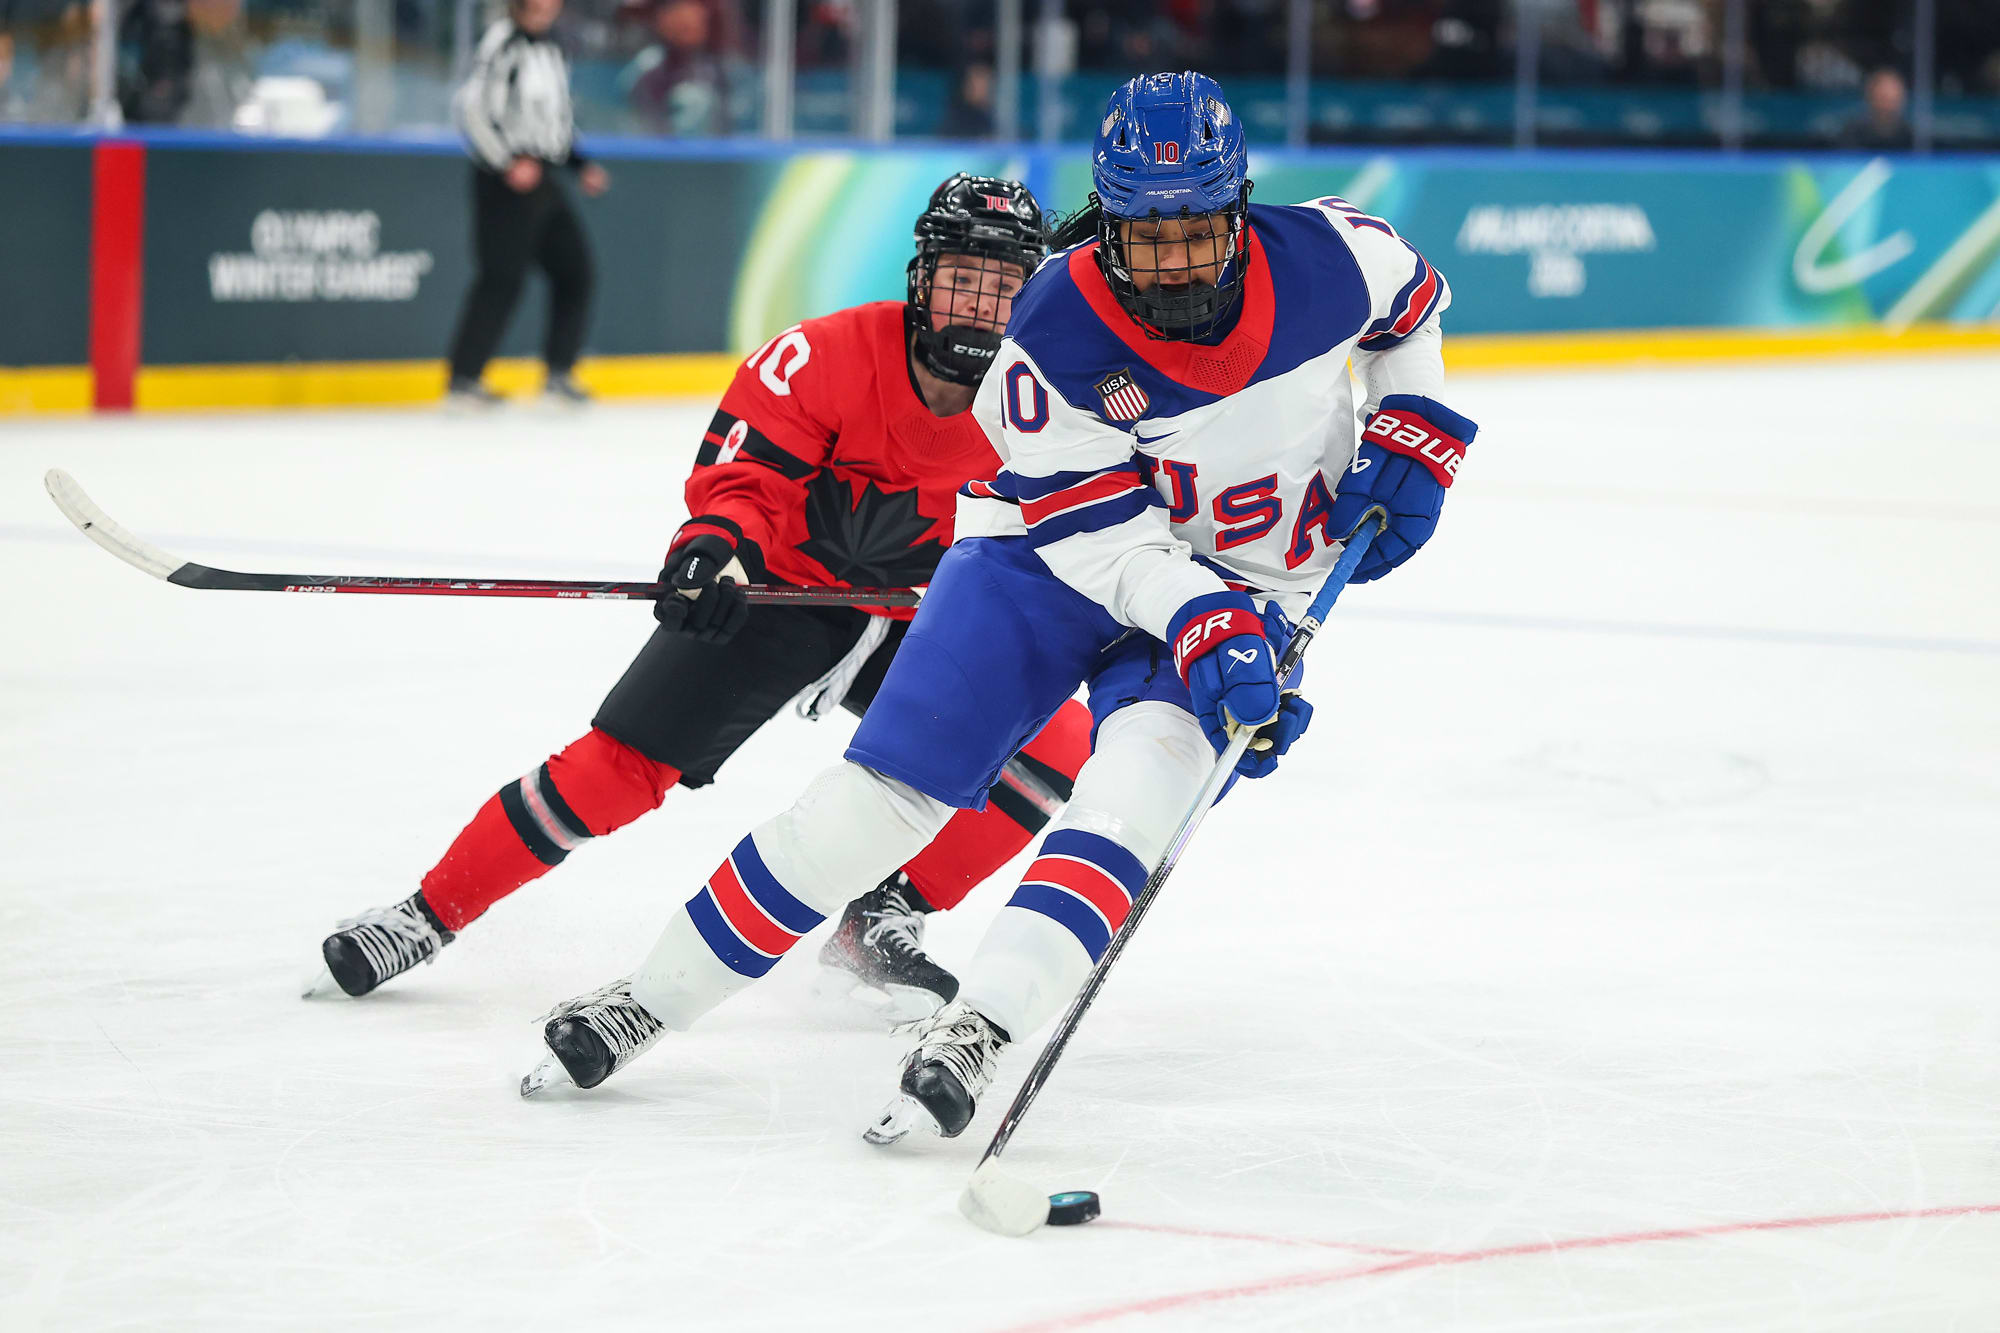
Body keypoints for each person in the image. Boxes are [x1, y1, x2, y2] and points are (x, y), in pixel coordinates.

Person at [519, 70, 1479, 1138]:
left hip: (1254, 580)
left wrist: (1414, 421)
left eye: (1195, 233)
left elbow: (1413, 315)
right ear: (1105, 225)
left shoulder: (1340, 256)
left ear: (1239, 204)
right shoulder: (1051, 332)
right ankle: (648, 996)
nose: (1171, 265)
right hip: (1045, 559)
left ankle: (984, 1023)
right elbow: (1101, 539)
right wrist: (1200, 618)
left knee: (1127, 808)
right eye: (1144, 238)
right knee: (872, 805)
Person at [314, 174, 1095, 1035]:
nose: (979, 307)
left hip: (918, 618)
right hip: (778, 594)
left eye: (1003, 285)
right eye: (960, 278)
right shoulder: (827, 354)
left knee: (1057, 739)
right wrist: (714, 547)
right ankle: (427, 914)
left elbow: (1081, 528)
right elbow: (746, 475)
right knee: (615, 770)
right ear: (922, 277)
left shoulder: (1046, 401)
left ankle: (880, 920)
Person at [446, 0, 609, 409]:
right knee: (501, 277)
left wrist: (579, 164)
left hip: (545, 179)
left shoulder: (552, 49)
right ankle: (463, 379)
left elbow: (554, 119)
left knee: (576, 271)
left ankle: (559, 372)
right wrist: (506, 161)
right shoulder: (501, 44)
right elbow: (472, 110)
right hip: (505, 183)